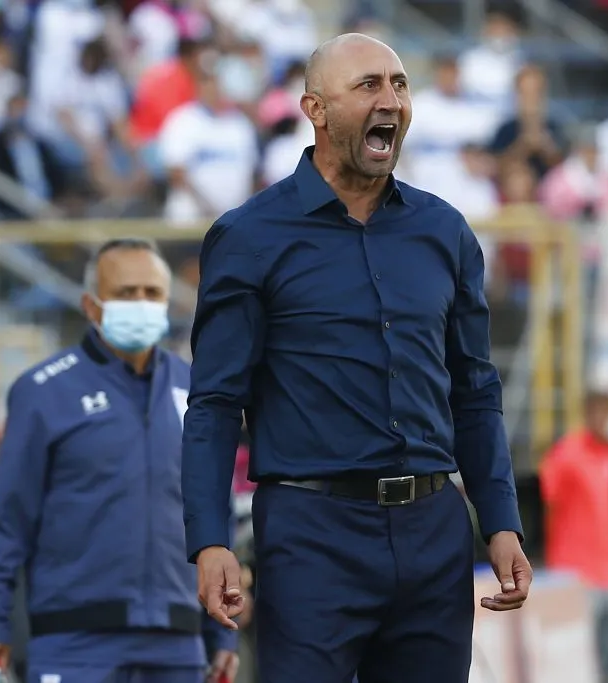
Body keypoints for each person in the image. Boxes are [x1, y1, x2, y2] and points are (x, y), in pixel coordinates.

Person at [182, 33, 531, 683]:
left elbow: (476, 391)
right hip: (311, 534)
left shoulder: (445, 231)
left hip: (434, 530)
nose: (390, 100)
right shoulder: (249, 236)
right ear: (315, 109)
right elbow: (215, 403)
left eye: (399, 84)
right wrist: (209, 540)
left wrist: (501, 522)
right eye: (368, 85)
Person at [0, 238, 239, 683]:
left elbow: (216, 517)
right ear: (91, 306)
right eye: (126, 293)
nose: (141, 303)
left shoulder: (197, 390)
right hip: (73, 643)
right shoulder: (44, 391)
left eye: (152, 293)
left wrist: (222, 633)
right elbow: (5, 522)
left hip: (178, 646)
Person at [539, 390, 608, 683]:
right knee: (574, 657)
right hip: (575, 568)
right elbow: (547, 497)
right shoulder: (567, 453)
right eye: (597, 412)